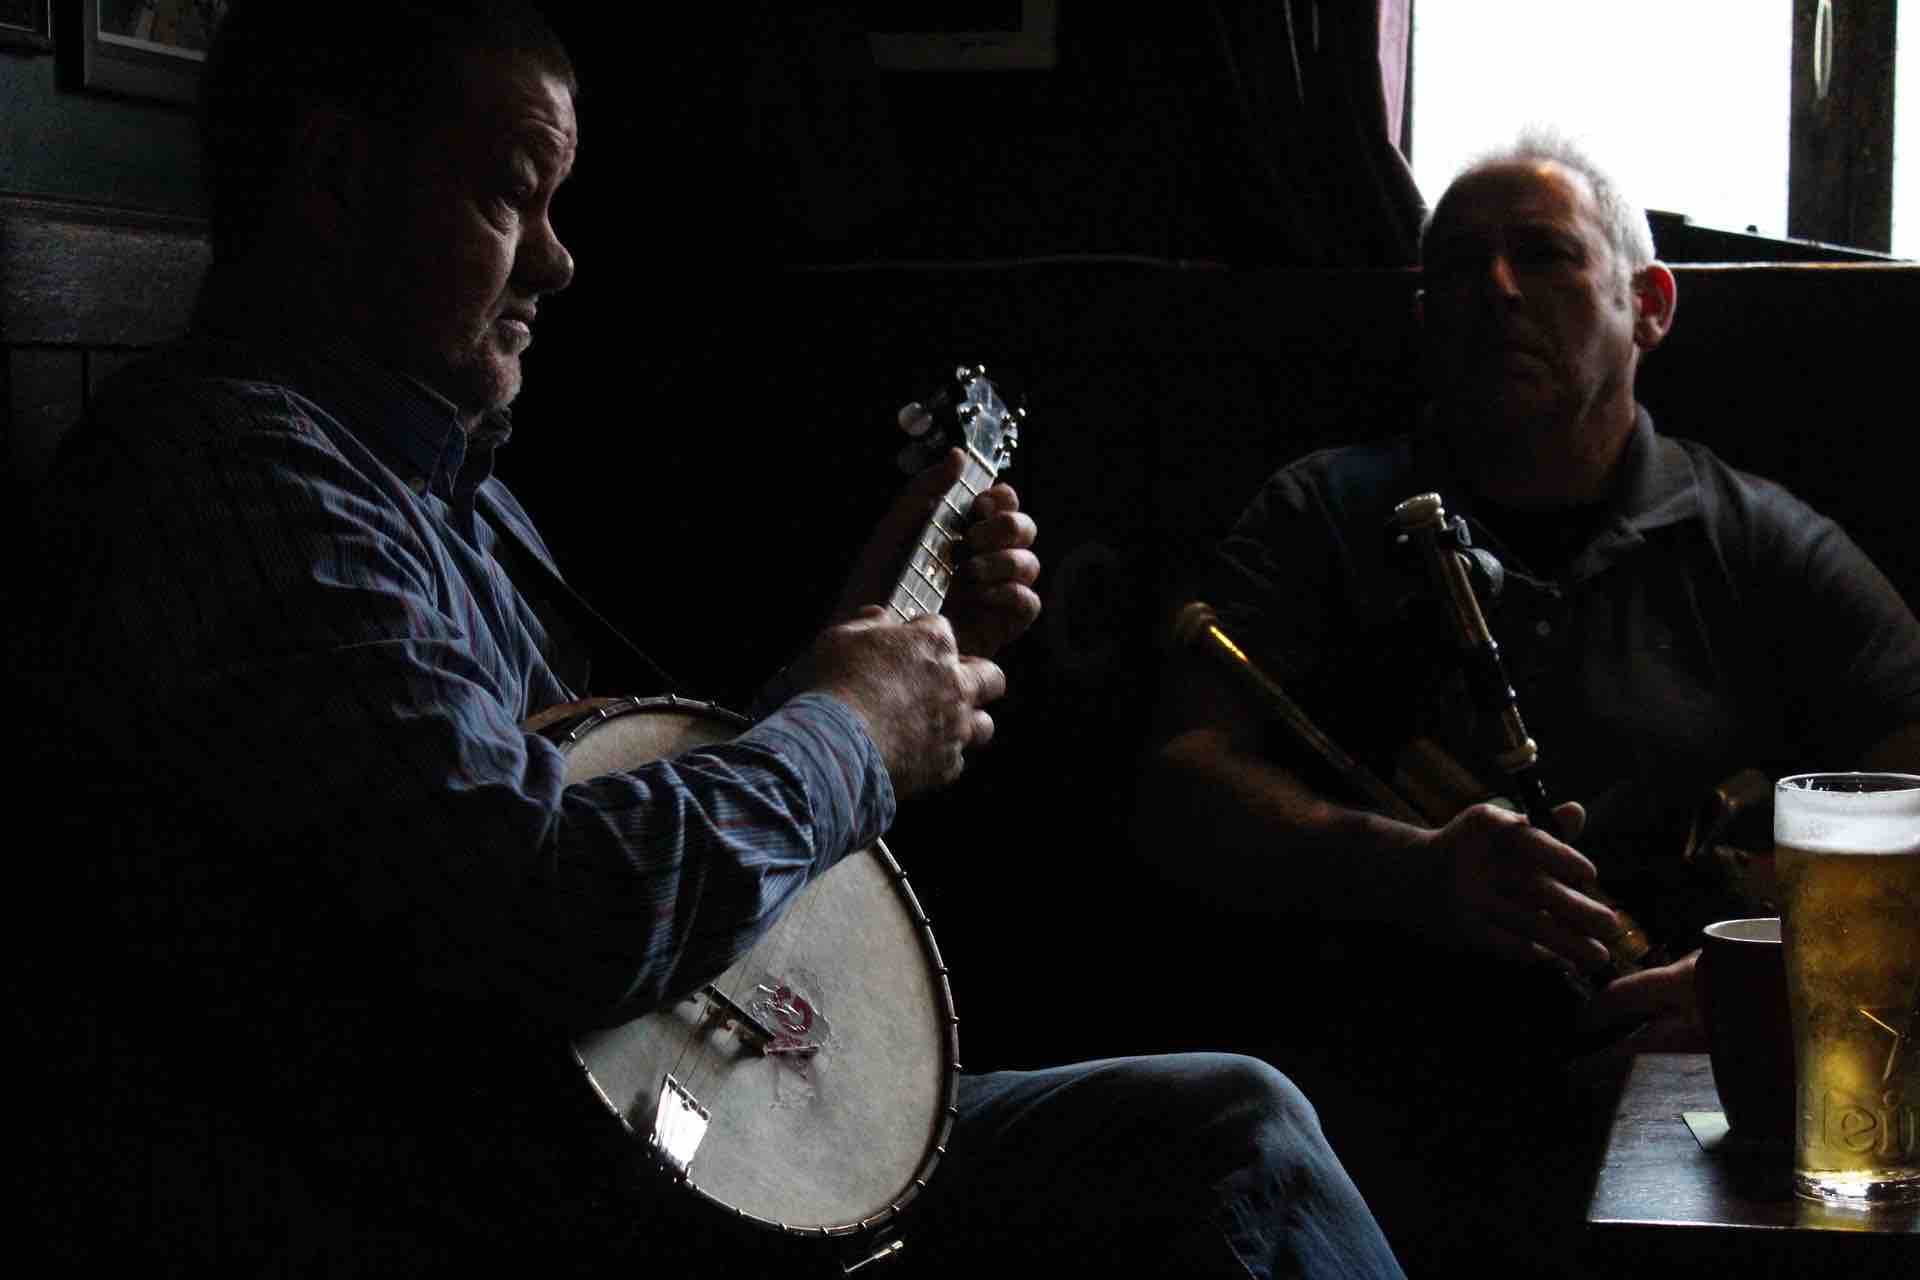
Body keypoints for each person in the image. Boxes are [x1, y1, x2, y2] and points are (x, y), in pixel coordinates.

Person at [6, 4, 1407, 1277]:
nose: (558, 259)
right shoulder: (234, 482)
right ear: (333, 181)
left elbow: (581, 803)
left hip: (614, 1150)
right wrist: (852, 731)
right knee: (1234, 1139)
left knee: (1231, 1126)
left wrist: (861, 665)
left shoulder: (441, 488)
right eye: (514, 194)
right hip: (495, 1202)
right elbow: (551, 903)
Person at [1140, 130, 1920, 1275]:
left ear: (1648, 305)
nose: (1493, 290)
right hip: (1368, 1105)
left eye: (1544, 256)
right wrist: (1403, 869)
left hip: (1680, 1114)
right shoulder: (1319, 513)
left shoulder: (1763, 542)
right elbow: (1176, 787)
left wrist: (1775, 983)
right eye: (1455, 266)